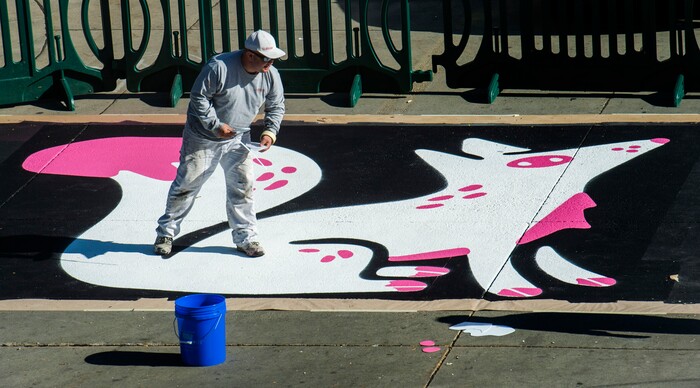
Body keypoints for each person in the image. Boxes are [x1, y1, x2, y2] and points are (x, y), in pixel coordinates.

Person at [154, 30, 286, 257]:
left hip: (239, 138)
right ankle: (166, 233)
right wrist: (215, 125)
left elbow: (276, 105)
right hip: (203, 138)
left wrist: (270, 131)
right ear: (250, 54)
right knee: (187, 185)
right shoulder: (219, 67)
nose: (270, 63)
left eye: (272, 58)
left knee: (242, 187)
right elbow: (199, 98)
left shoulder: (270, 74)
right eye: (266, 58)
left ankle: (247, 238)